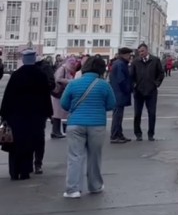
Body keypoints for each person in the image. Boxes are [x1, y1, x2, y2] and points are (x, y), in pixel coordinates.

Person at [60, 55, 117, 198]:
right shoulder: (104, 85)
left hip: (75, 124)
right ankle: (95, 186)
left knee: (75, 157)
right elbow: (111, 104)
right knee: (94, 156)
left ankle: (73, 189)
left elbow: (64, 104)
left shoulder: (73, 84)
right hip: (97, 124)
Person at [0, 48, 53, 180]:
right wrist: (48, 113)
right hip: (35, 116)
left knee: (15, 144)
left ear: (23, 60)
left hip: (16, 116)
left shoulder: (16, 75)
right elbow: (46, 96)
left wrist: (4, 114)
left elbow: (8, 96)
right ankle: (25, 171)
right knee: (30, 143)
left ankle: (14, 172)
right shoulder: (40, 75)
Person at [129, 43, 165, 142]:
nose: (141, 53)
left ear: (147, 50)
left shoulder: (155, 60)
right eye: (139, 52)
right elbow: (131, 75)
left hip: (151, 91)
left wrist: (156, 83)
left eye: (142, 51)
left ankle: (151, 134)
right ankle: (138, 134)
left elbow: (161, 73)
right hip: (138, 92)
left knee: (152, 113)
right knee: (137, 114)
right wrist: (134, 85)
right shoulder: (136, 62)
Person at [109, 47, 134, 144]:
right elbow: (121, 80)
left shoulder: (119, 63)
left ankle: (119, 134)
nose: (130, 57)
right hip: (119, 94)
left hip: (118, 93)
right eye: (129, 55)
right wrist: (128, 89)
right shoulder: (120, 64)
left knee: (118, 116)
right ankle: (115, 135)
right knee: (117, 116)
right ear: (124, 55)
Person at [51, 56, 79, 139]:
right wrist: (69, 81)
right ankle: (56, 132)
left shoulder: (66, 69)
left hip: (61, 94)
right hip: (58, 93)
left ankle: (57, 131)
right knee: (57, 113)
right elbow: (58, 79)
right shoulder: (62, 69)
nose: (73, 66)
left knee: (58, 113)